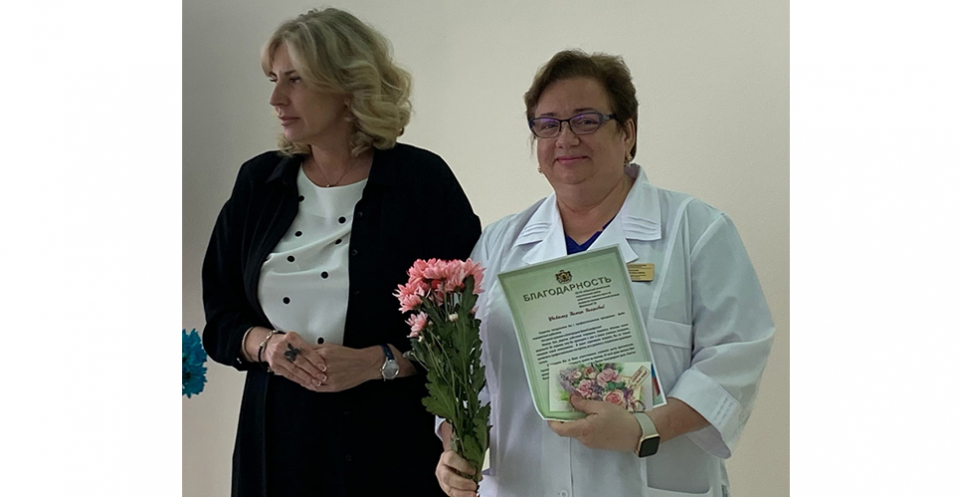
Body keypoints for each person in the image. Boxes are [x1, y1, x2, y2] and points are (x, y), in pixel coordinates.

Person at [434, 50, 775, 497]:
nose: (566, 138)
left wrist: (643, 428)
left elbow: (733, 358)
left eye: (586, 120)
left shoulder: (696, 230)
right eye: (548, 125)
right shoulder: (499, 243)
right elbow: (468, 370)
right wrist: (457, 448)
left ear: (627, 132)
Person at [201, 8, 480, 497]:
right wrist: (266, 346)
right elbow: (221, 317)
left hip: (391, 446)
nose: (276, 98)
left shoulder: (421, 182)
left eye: (295, 79)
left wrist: (379, 362)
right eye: (273, 79)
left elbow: (468, 323)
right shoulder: (258, 183)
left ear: (348, 86)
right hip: (276, 444)